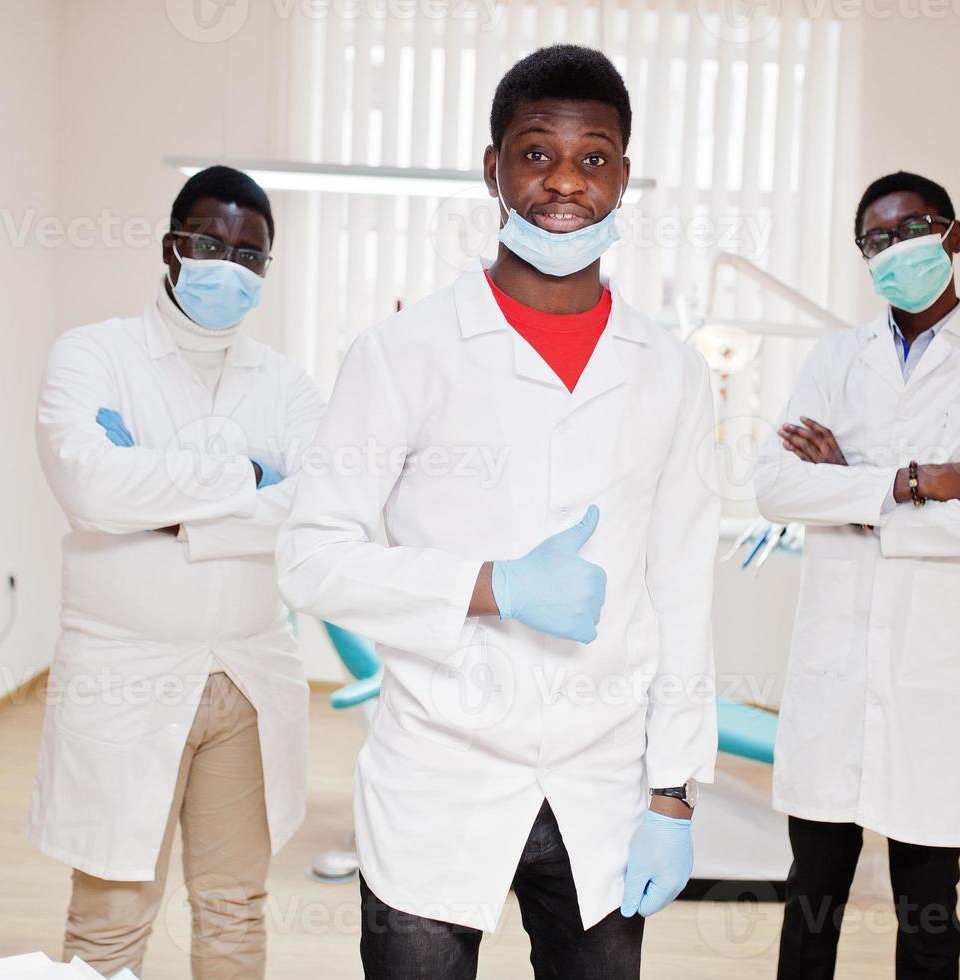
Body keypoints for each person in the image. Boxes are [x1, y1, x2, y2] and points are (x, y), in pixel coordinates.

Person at [275, 44, 718, 980]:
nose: (564, 181)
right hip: (441, 772)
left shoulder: (670, 371)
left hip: (602, 782)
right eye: (535, 153)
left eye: (593, 158)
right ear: (493, 169)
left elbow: (682, 588)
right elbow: (310, 557)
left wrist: (673, 794)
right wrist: (492, 585)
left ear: (624, 178)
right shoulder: (402, 352)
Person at [754, 171, 960, 980]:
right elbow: (775, 486)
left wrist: (848, 493)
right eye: (876, 240)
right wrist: (907, 482)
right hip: (835, 674)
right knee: (810, 898)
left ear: (951, 234)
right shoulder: (832, 359)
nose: (895, 249)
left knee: (929, 908)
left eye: (911, 227)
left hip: (931, 676)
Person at [32, 165, 325, 978]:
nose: (226, 267)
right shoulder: (94, 354)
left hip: (247, 675)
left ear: (264, 272)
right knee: (110, 918)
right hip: (123, 673)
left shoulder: (289, 386)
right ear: (171, 246)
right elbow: (90, 485)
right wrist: (248, 480)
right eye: (208, 243)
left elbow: (317, 502)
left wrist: (160, 497)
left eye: (248, 256)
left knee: (234, 909)